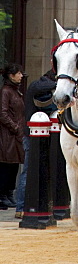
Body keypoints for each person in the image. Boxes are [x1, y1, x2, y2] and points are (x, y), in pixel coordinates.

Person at [14, 67, 57, 218]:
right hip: (31, 135)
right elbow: (38, 87)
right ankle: (21, 206)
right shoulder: (38, 85)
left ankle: (31, 205)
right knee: (27, 171)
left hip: (38, 136)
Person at [0, 64, 25, 209]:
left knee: (13, 166)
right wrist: (15, 127)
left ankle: (9, 193)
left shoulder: (15, 91)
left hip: (16, 135)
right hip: (8, 135)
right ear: (11, 75)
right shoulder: (6, 91)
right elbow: (2, 113)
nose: (21, 75)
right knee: (5, 165)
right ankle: (2, 195)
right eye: (19, 73)